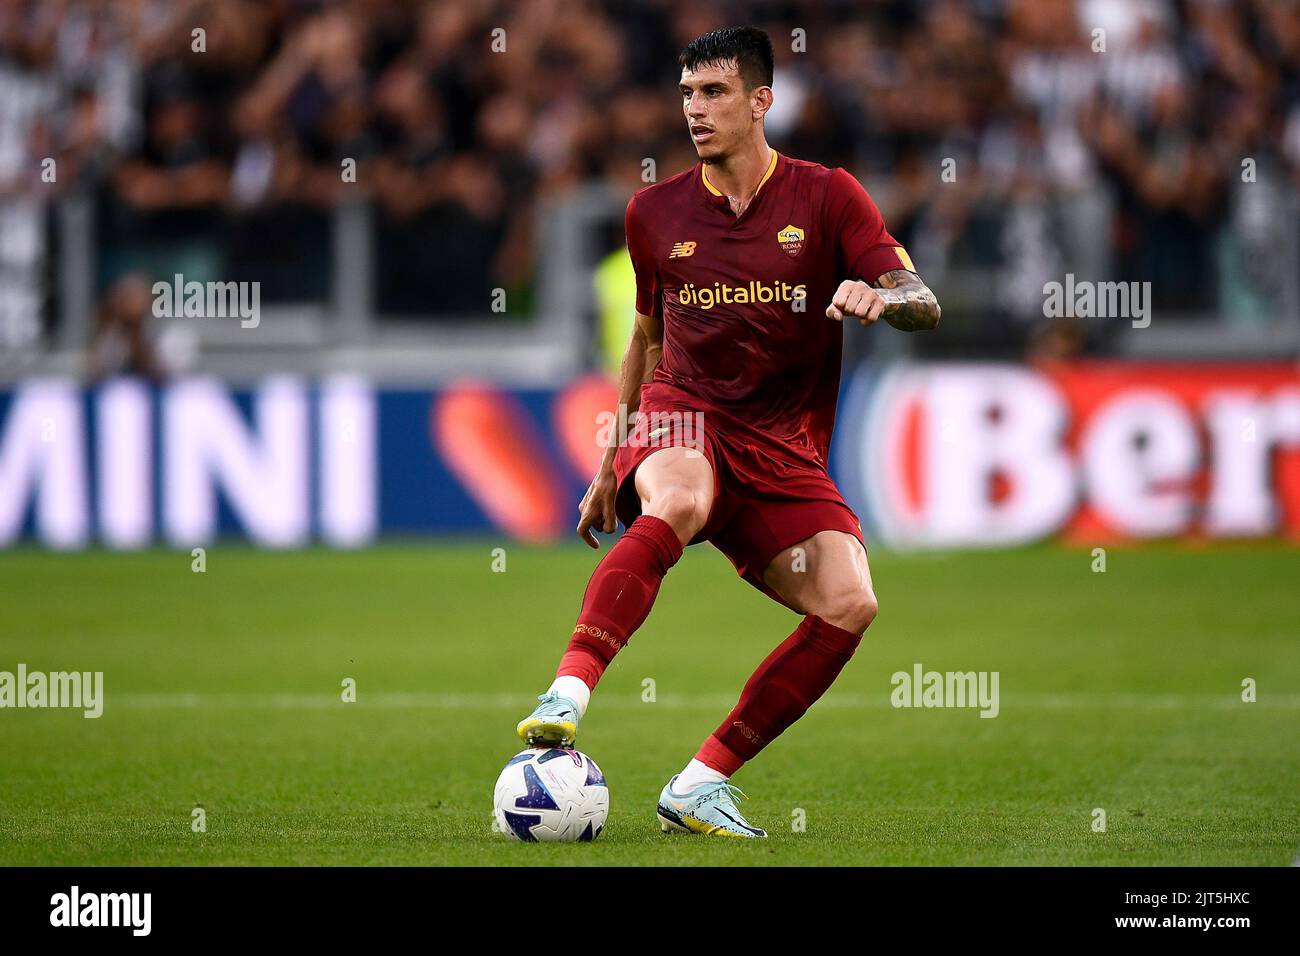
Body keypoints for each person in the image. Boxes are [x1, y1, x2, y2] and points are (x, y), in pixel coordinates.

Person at [515, 27, 940, 839]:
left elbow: (922, 298)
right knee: (677, 497)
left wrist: (885, 301)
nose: (695, 111)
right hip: (686, 409)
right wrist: (611, 464)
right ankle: (566, 692)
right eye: (686, 94)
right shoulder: (654, 211)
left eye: (713, 93)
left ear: (760, 101)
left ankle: (700, 784)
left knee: (850, 602)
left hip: (781, 444)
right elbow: (646, 338)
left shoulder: (828, 197)